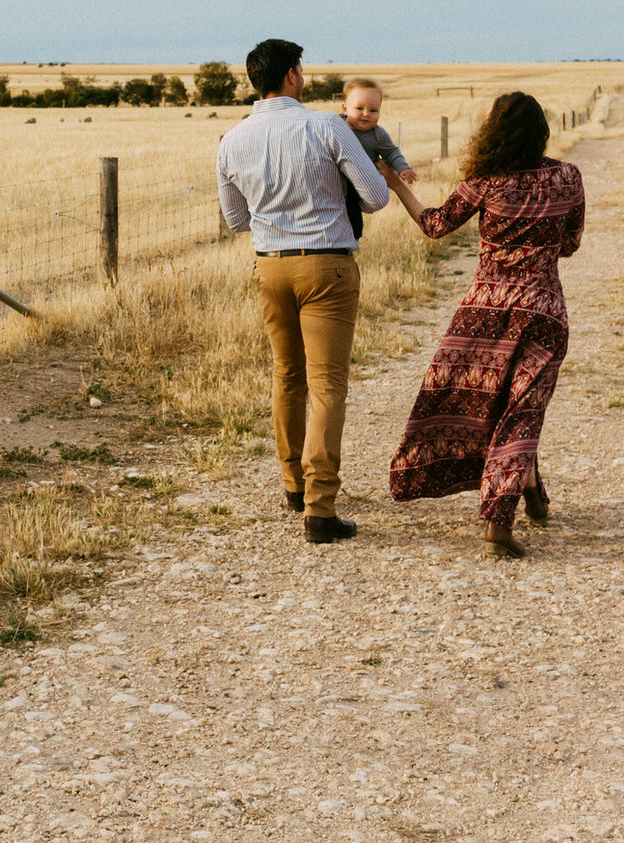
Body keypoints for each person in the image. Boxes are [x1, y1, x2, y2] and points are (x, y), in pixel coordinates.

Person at [381, 91, 583, 559]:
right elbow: (570, 243)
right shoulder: (568, 177)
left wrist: (396, 185)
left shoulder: (485, 182)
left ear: (494, 131)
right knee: (522, 413)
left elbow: (434, 225)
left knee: (472, 403)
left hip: (483, 314)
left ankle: (511, 494)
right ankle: (502, 517)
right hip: (544, 311)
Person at [215, 38, 391, 543]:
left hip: (269, 267)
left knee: (287, 375)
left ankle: (293, 485)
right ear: (292, 75)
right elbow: (376, 199)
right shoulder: (327, 125)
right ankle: (320, 507)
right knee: (328, 384)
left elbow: (234, 220)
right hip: (328, 267)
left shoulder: (232, 140)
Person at [340, 79, 415, 186]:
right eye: (359, 108)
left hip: (363, 185)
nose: (366, 114)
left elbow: (391, 152)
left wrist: (402, 167)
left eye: (373, 110)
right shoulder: (335, 126)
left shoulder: (378, 135)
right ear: (345, 108)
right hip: (336, 182)